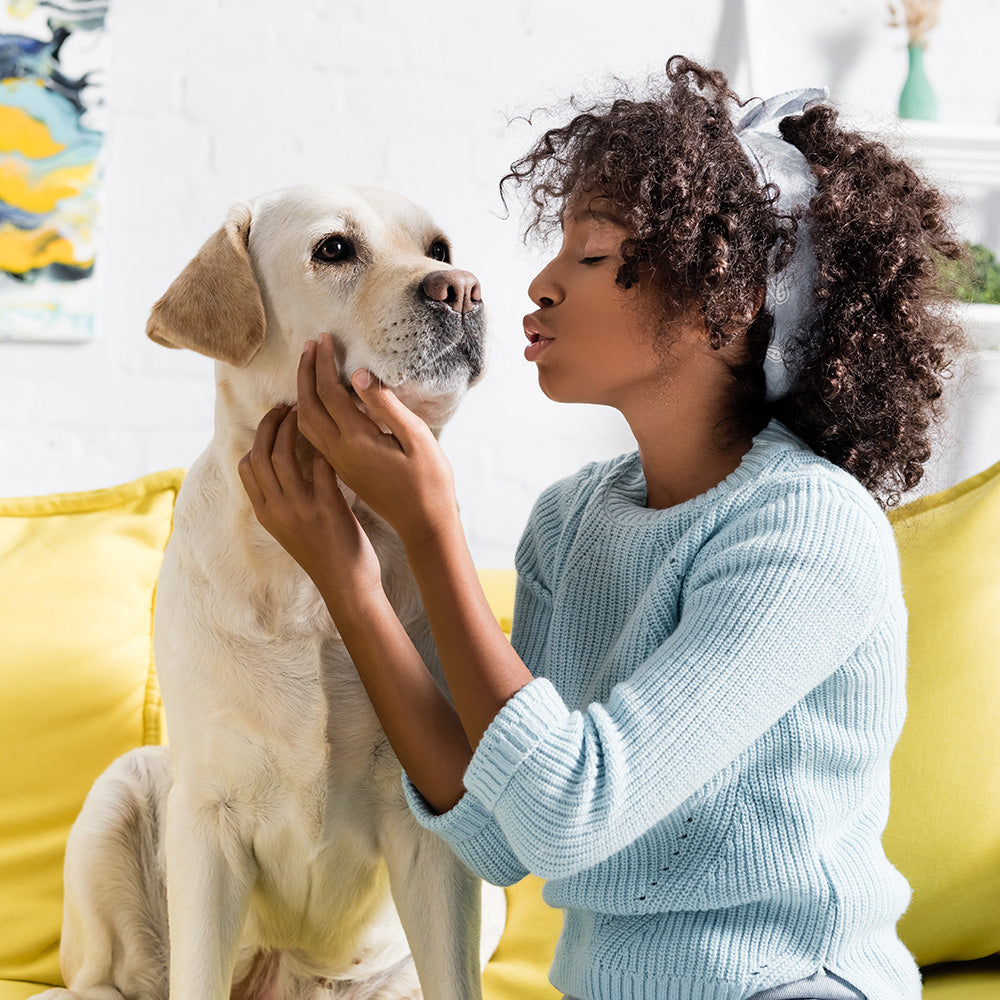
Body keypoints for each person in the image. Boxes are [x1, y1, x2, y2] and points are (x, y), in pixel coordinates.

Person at [238, 56, 964, 1000]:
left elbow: (569, 812)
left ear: (726, 305)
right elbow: (495, 831)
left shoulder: (811, 531)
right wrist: (349, 581)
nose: (536, 284)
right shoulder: (572, 521)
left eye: (588, 256)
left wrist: (432, 525)